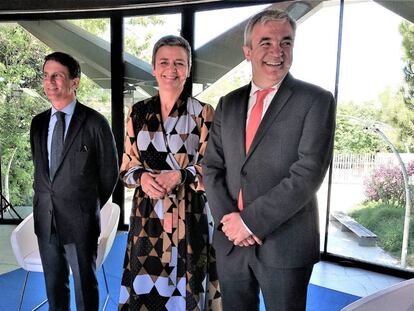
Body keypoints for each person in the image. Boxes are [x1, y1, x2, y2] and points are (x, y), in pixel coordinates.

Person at [203, 9, 336, 311]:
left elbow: (307, 174)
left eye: (286, 42)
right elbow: (212, 167)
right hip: (230, 243)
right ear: (247, 51)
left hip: (285, 246)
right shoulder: (229, 103)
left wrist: (249, 223)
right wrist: (231, 224)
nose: (277, 51)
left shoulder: (316, 100)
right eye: (266, 43)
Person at [118, 35, 222, 310]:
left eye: (179, 63)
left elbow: (212, 166)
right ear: (153, 68)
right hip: (147, 216)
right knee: (146, 286)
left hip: (190, 215)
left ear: (188, 69)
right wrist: (141, 177)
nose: (171, 69)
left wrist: (180, 175)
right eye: (164, 62)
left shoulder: (203, 113)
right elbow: (127, 166)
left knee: (189, 286)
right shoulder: (137, 112)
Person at [30, 51, 119, 311]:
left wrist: (85, 204)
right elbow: (41, 170)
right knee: (54, 284)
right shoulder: (38, 123)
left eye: (57, 76)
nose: (50, 82)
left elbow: (109, 173)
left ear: (75, 82)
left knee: (84, 285)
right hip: (46, 218)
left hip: (80, 219)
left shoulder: (95, 123)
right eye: (46, 76)